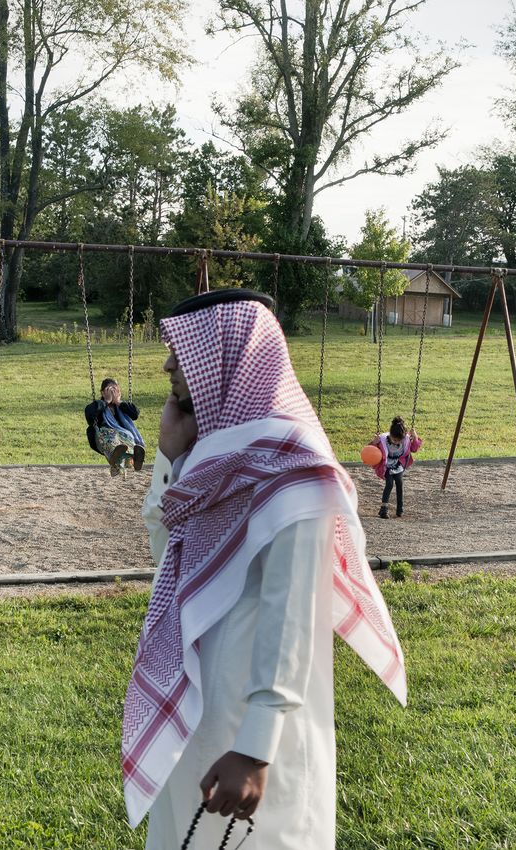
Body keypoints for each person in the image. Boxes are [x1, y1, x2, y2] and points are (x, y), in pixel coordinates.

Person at [125, 289, 406, 849]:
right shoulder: (217, 456)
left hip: (258, 723)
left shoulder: (294, 467)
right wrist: (172, 456)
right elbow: (169, 561)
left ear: (225, 355)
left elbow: (293, 611)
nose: (168, 367)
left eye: (181, 352)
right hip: (198, 704)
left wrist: (256, 746)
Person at [85, 377, 146, 476]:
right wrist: (106, 401)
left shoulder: (122, 406)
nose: (113, 392)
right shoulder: (98, 405)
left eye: (115, 389)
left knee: (128, 436)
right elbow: (89, 416)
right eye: (109, 390)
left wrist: (118, 402)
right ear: (103, 393)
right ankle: (114, 456)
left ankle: (135, 458)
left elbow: (135, 414)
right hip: (104, 438)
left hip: (123, 438)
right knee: (112, 436)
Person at [367, 415, 423, 518]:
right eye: (394, 439)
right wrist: (374, 442)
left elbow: (414, 449)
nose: (396, 442)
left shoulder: (405, 440)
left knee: (399, 483)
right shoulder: (383, 440)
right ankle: (383, 509)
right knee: (389, 484)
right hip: (386, 465)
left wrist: (415, 437)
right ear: (390, 434)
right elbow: (370, 451)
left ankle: (400, 509)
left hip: (398, 465)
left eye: (398, 440)